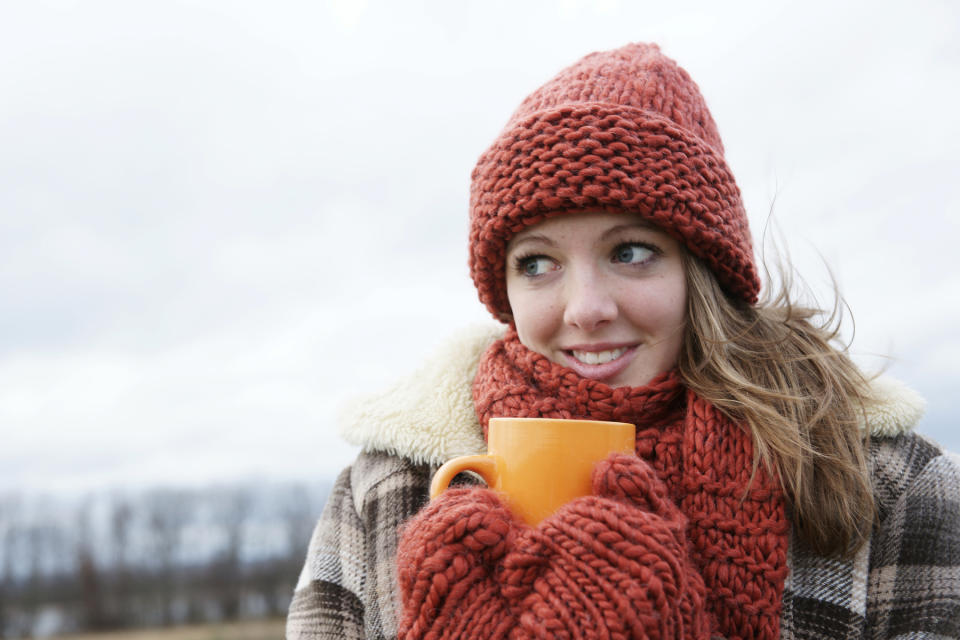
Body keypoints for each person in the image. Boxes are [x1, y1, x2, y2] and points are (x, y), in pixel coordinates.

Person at [286, 43, 960, 639]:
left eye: (631, 250)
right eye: (537, 263)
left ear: (703, 271)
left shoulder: (884, 486)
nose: (584, 309)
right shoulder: (388, 491)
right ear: (504, 287)